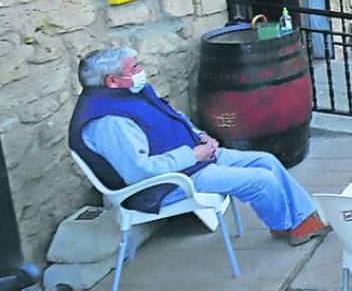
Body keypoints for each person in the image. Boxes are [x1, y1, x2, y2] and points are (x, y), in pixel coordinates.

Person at [68, 48, 331, 245]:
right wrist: (192, 154)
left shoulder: (128, 95)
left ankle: (300, 221)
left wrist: (200, 136)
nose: (140, 72)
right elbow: (139, 172)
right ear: (112, 81)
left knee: (266, 161)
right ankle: (287, 224)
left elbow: (171, 119)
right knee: (261, 181)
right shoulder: (108, 122)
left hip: (193, 160)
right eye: (134, 68)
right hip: (166, 183)